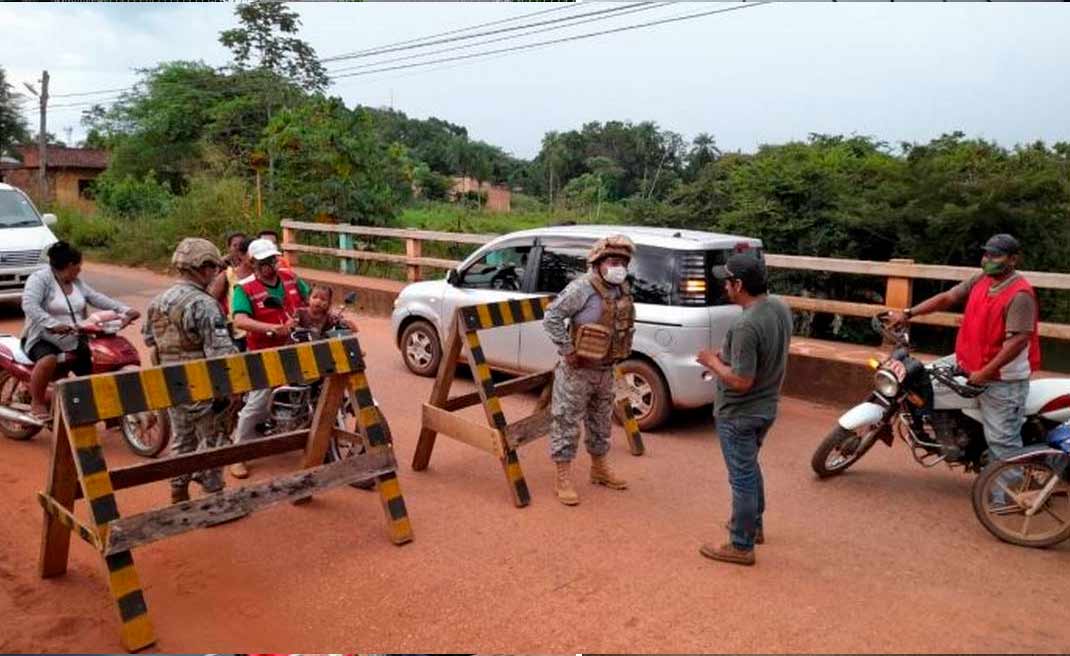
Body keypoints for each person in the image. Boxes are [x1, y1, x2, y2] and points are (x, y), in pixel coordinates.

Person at [888, 233, 1040, 461]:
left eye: (996, 255)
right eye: (986, 253)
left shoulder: (1020, 295)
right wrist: (909, 314)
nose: (987, 259)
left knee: (1002, 443)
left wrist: (985, 373)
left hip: (1001, 379)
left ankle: (1007, 494)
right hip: (966, 362)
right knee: (920, 379)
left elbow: (1018, 342)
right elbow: (948, 298)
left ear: (1013, 260)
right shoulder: (981, 280)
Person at [696, 252, 792, 567]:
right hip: (767, 407)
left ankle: (740, 544)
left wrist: (711, 362)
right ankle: (754, 527)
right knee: (749, 468)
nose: (724, 286)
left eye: (728, 281)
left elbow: (741, 380)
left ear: (739, 284)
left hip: (740, 412)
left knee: (741, 477)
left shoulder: (746, 325)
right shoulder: (778, 307)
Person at [143, 239, 238, 503]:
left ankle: (179, 492)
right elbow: (221, 353)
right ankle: (213, 498)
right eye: (213, 267)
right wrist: (232, 389)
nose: (215, 273)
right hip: (204, 385)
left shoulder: (158, 301)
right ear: (204, 268)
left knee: (182, 438)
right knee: (214, 439)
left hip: (172, 384)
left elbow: (150, 340)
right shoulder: (204, 305)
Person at [542, 234, 635, 506]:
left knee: (601, 423)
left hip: (606, 370)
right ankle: (563, 477)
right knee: (566, 422)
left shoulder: (621, 289)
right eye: (613, 260)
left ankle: (599, 468)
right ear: (598, 262)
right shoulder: (582, 288)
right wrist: (567, 349)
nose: (619, 266)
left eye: (623, 261)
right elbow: (552, 317)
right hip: (578, 371)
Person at [20, 241, 138, 421]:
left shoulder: (75, 282)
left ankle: (105, 410)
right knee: (48, 359)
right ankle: (37, 402)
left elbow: (96, 297)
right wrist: (52, 324)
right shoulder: (39, 280)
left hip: (75, 336)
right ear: (69, 265)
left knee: (96, 362)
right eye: (78, 266)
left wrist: (125, 310)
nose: (80, 270)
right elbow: (29, 305)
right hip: (43, 338)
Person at [228, 237, 311, 478]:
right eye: (263, 262)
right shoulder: (244, 288)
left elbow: (309, 301)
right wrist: (272, 329)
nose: (268, 265)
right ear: (253, 263)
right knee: (258, 401)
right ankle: (238, 453)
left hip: (297, 346)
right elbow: (240, 320)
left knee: (314, 387)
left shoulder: (290, 278)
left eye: (271, 260)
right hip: (264, 353)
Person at [208, 236, 254, 351]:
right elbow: (210, 302)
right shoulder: (227, 275)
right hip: (238, 334)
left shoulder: (264, 275)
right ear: (242, 255)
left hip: (261, 331)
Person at [294, 284, 359, 339]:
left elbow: (354, 329)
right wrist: (291, 325)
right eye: (314, 297)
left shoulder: (330, 317)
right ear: (308, 299)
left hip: (320, 347)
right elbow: (292, 326)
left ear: (329, 303)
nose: (318, 301)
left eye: (323, 299)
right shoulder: (300, 313)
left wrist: (347, 324)